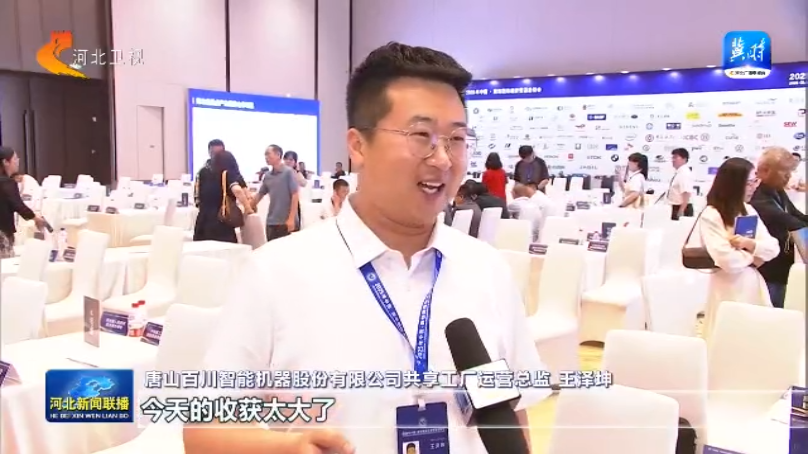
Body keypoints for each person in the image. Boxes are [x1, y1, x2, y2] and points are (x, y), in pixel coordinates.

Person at [184, 42, 546, 454]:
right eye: (421, 136)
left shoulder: (487, 269)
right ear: (358, 146)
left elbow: (512, 414)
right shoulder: (274, 274)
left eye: (457, 139)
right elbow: (203, 433)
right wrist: (286, 448)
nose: (444, 159)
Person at [689, 158, 779, 340]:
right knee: (726, 339)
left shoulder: (748, 210)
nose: (754, 187)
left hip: (752, 285)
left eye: (755, 181)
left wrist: (750, 245)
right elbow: (728, 261)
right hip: (727, 287)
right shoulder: (712, 215)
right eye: (749, 183)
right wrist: (754, 257)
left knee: (754, 339)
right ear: (734, 185)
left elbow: (773, 248)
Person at [750, 147, 808, 308]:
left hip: (782, 265)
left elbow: (797, 216)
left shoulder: (778, 192)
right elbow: (790, 221)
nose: (788, 176)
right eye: (784, 171)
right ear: (765, 170)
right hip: (767, 269)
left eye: (790, 171)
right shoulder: (757, 196)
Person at [193, 150, 254, 243]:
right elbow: (237, 190)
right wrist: (248, 208)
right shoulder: (226, 174)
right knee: (225, 249)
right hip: (220, 220)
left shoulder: (203, 172)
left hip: (203, 220)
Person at [0, 147, 46, 258]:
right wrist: (35, 218)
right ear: (5, 162)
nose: (18, 161)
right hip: (3, 232)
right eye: (15, 158)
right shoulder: (7, 183)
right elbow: (18, 205)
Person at [252, 145, 299, 241]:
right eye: (265, 155)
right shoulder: (268, 176)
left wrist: (291, 219)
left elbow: (295, 195)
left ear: (278, 155)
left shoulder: (288, 172)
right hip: (272, 221)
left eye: (268, 154)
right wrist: (250, 206)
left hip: (286, 221)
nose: (266, 157)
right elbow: (260, 194)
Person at [667, 148, 694, 219]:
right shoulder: (679, 172)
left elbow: (686, 193)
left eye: (676, 157)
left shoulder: (684, 173)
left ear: (684, 159)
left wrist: (681, 210)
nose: (673, 160)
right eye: (672, 157)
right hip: (676, 206)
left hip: (682, 207)